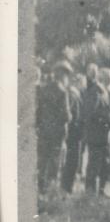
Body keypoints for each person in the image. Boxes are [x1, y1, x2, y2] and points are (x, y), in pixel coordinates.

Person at [34, 62, 73, 194]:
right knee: (55, 164)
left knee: (42, 162)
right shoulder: (63, 92)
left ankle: (40, 190)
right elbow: (66, 116)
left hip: (44, 132)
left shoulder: (44, 90)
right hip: (57, 134)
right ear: (64, 76)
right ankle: (50, 193)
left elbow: (38, 112)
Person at [79, 68, 110, 196]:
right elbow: (91, 112)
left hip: (103, 133)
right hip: (95, 133)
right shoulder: (95, 91)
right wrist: (107, 117)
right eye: (109, 76)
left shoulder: (104, 91)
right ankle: (90, 191)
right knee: (94, 164)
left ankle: (100, 190)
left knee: (105, 163)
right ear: (103, 78)